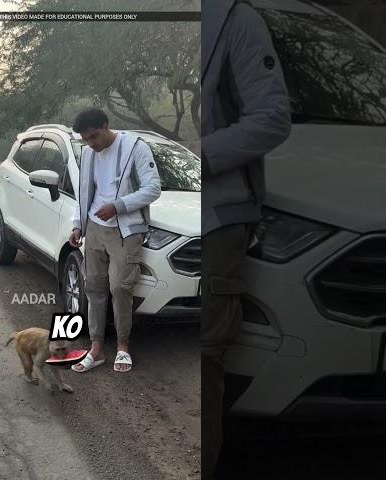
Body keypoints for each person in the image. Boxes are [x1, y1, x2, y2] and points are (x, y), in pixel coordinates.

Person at [201, 1, 291, 478]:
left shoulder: (233, 18)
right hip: (156, 210)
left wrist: (195, 157)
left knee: (200, 364)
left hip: (216, 218)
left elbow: (274, 117)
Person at [68, 108, 161, 373]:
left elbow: (153, 188)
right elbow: (83, 193)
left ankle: (123, 346)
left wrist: (118, 206)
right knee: (94, 287)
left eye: (94, 137)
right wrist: (78, 224)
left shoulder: (135, 148)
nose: (92, 144)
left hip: (126, 229)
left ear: (106, 125)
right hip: (95, 228)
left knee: (120, 287)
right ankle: (96, 349)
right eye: (86, 140)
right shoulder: (88, 154)